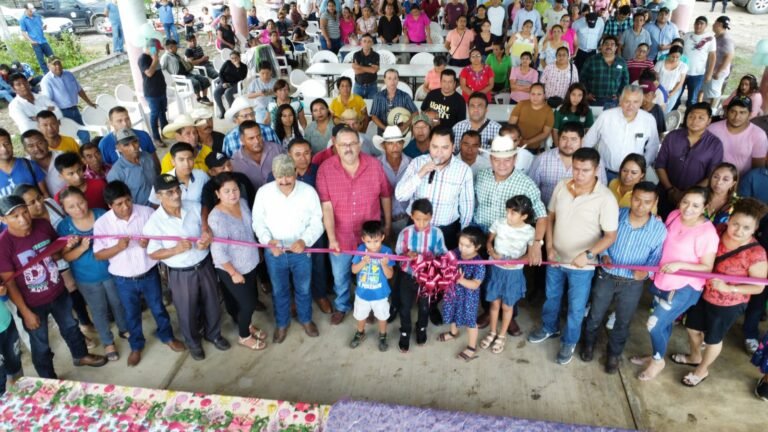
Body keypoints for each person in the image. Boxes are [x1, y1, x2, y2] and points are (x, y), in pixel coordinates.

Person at [528, 147, 619, 365]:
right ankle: (549, 327)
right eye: (576, 169)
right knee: (552, 297)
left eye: (585, 170)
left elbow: (610, 236)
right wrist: (549, 247)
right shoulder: (562, 185)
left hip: (582, 266)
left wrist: (589, 254)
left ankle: (569, 341)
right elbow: (550, 216)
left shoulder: (606, 198)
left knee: (576, 308)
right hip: (556, 258)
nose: (579, 174)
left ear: (596, 169)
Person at [0, 195, 107, 379]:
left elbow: (56, 254)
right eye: (15, 216)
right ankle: (48, 378)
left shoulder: (42, 225)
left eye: (24, 212)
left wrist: (68, 246)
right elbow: (10, 283)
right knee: (40, 343)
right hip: (32, 303)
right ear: (3, 219)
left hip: (58, 292)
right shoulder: (3, 245)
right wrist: (25, 312)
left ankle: (81, 355)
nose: (23, 219)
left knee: (71, 326)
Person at [672, 198, 767, 386]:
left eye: (746, 228)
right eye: (736, 224)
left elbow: (758, 287)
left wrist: (729, 288)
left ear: (755, 228)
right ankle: (695, 356)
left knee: (713, 339)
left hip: (728, 303)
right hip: (702, 291)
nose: (739, 231)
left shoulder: (757, 254)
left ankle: (702, 370)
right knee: (692, 327)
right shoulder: (718, 231)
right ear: (729, 220)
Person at [630, 187, 719, 381]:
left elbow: (707, 267)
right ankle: (656, 355)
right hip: (663, 280)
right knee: (664, 324)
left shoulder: (707, 233)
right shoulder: (674, 215)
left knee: (654, 325)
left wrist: (680, 264)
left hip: (684, 288)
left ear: (705, 207)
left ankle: (657, 361)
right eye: (685, 202)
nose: (688, 208)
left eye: (696, 205)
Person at [92, 180, 185, 366]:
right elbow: (98, 255)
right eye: (119, 204)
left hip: (149, 273)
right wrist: (118, 247)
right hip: (123, 279)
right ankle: (136, 346)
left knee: (158, 308)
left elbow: (160, 240)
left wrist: (149, 243)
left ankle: (167, 337)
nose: (126, 206)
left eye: (128, 200)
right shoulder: (102, 224)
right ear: (109, 205)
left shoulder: (147, 213)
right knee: (131, 314)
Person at [581, 181, 667, 373]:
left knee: (623, 321)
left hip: (632, 283)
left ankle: (614, 354)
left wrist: (646, 271)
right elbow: (602, 237)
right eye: (637, 199)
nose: (640, 206)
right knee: (595, 314)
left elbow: (655, 258)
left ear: (655, 203)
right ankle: (588, 344)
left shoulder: (659, 229)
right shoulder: (616, 216)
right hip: (607, 276)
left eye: (647, 202)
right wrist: (604, 255)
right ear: (631, 197)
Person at [143, 174, 229, 360]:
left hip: (204, 265)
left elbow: (207, 227)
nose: (176, 195)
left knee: (212, 303)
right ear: (158, 196)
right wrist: (175, 249)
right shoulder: (154, 223)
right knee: (186, 310)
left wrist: (207, 237)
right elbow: (152, 253)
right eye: (169, 192)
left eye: (177, 190)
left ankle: (213, 334)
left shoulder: (193, 207)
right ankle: (193, 343)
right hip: (181, 274)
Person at [317, 127, 392, 324]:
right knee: (340, 275)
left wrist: (388, 224)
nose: (348, 148)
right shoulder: (325, 169)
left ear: (359, 145)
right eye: (343, 144)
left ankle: (368, 306)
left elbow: (385, 195)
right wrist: (332, 238)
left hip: (369, 239)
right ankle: (342, 305)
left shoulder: (374, 165)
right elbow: (326, 207)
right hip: (341, 236)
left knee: (370, 273)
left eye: (352, 143)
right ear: (335, 145)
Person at [56, 187, 127, 362]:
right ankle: (108, 342)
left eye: (80, 203)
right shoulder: (64, 226)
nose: (78, 209)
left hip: (112, 269)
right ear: (64, 209)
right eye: (71, 207)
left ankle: (124, 328)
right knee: (98, 309)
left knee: (118, 302)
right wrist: (80, 248)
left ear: (86, 199)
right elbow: (65, 256)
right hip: (86, 278)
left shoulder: (102, 214)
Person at [204, 173, 265, 351]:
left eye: (235, 189)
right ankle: (244, 336)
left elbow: (249, 232)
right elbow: (218, 252)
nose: (233, 194)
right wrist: (233, 273)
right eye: (227, 191)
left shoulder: (243, 203)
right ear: (218, 194)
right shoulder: (216, 218)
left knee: (247, 300)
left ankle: (247, 325)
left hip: (250, 262)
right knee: (248, 303)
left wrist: (257, 251)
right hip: (232, 268)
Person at [396, 126, 474, 250]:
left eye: (445, 147)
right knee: (413, 261)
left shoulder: (464, 170)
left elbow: (467, 206)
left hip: (446, 231)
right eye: (435, 147)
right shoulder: (417, 163)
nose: (439, 153)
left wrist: (464, 234)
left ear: (453, 147)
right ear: (429, 145)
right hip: (416, 228)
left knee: (443, 262)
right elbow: (400, 196)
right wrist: (420, 173)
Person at [480, 196, 534, 355]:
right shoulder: (499, 223)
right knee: (494, 304)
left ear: (524, 216)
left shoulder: (530, 231)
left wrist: (515, 261)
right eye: (507, 211)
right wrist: (491, 252)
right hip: (496, 270)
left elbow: (530, 256)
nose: (508, 215)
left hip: (513, 273)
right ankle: (492, 332)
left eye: (513, 213)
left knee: (507, 306)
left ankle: (502, 335)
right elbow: (489, 241)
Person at [394, 198, 448, 351]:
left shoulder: (437, 233)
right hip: (408, 275)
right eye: (418, 219)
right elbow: (398, 253)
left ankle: (421, 328)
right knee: (405, 306)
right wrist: (407, 254)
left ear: (431, 217)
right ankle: (405, 331)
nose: (422, 223)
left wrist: (435, 259)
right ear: (411, 216)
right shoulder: (405, 233)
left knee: (424, 307)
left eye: (425, 219)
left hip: (427, 278)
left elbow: (442, 254)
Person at [583, 85, 661, 182]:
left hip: (632, 177)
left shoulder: (649, 120)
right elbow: (587, 142)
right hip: (605, 173)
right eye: (627, 101)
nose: (630, 106)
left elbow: (653, 147)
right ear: (620, 100)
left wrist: (641, 168)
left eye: (635, 102)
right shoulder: (606, 116)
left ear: (641, 102)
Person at [436, 226, 486, 361]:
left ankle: (471, 347)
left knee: (470, 322)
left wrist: (460, 280)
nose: (462, 248)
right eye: (461, 244)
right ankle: (453, 332)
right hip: (452, 292)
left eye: (467, 246)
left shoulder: (479, 264)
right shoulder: (455, 253)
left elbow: (475, 284)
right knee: (452, 312)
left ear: (477, 246)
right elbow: (445, 262)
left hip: (468, 298)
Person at [529, 122, 607, 205]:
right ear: (558, 138)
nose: (568, 144)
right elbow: (530, 189)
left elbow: (601, 192)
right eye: (564, 138)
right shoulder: (542, 159)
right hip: (545, 210)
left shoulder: (594, 161)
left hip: (582, 211)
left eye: (573, 139)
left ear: (582, 140)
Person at [349, 220, 394, 351]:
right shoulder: (360, 250)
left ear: (382, 237)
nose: (373, 245)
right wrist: (363, 262)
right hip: (362, 294)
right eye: (368, 241)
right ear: (363, 239)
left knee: (382, 316)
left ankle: (382, 335)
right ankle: (360, 332)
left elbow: (390, 275)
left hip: (380, 295)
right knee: (361, 315)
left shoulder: (387, 252)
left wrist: (384, 264)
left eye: (376, 241)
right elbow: (354, 270)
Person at [39, 57, 95, 145]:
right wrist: (55, 117)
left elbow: (79, 90)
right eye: (54, 64)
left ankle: (86, 151)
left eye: (59, 63)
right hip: (61, 113)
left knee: (85, 135)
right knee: (69, 137)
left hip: (74, 110)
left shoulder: (68, 74)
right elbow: (48, 101)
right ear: (48, 66)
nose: (58, 66)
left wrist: (89, 102)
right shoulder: (46, 81)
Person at [708, 98, 768, 176]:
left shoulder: (758, 135)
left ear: (749, 114)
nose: (736, 117)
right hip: (711, 177)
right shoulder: (712, 129)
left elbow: (757, 170)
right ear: (727, 112)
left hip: (742, 180)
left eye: (742, 112)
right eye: (733, 112)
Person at [106, 129, 158, 206]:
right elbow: (120, 203)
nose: (133, 147)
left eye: (135, 142)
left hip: (160, 203)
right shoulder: (116, 173)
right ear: (118, 148)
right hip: (140, 211)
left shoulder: (147, 156)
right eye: (126, 145)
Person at [231, 121, 284, 191]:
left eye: (259, 136)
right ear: (242, 140)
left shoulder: (277, 149)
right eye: (251, 138)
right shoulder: (235, 162)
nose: (257, 141)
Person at [580, 36, 629, 109]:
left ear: (616, 48)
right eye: (606, 44)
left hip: (613, 101)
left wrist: (620, 95)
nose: (609, 46)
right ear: (601, 46)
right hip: (594, 99)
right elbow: (582, 78)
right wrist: (586, 94)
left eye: (612, 44)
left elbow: (625, 81)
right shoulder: (591, 60)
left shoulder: (621, 62)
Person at [0, 128, 48, 199]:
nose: (4, 149)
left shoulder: (30, 165)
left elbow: (45, 195)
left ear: (11, 144)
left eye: (6, 144)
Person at [508, 83, 555, 154]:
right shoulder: (521, 104)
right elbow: (511, 124)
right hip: (516, 143)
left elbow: (545, 133)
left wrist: (528, 142)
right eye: (533, 94)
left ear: (544, 95)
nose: (535, 97)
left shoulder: (549, 111)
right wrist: (518, 139)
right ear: (529, 94)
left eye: (539, 94)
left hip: (533, 147)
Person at [139, 39, 169, 147]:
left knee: (162, 112)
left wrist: (155, 58)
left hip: (161, 89)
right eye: (156, 49)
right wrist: (155, 59)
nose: (158, 51)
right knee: (155, 114)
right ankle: (156, 137)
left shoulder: (154, 57)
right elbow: (149, 73)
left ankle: (165, 132)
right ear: (151, 48)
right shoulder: (143, 59)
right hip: (152, 92)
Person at [681, 16, 716, 108]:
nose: (698, 26)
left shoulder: (710, 38)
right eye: (697, 23)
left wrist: (709, 73)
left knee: (692, 99)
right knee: (676, 95)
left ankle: (690, 115)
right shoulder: (687, 36)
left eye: (701, 24)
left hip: (697, 74)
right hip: (682, 72)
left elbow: (712, 56)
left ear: (706, 25)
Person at [371, 69, 418, 135]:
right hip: (383, 132)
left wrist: (405, 126)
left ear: (398, 80)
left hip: (402, 132)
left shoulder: (405, 96)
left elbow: (415, 112)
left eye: (395, 78)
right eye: (389, 78)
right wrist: (385, 128)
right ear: (385, 80)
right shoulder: (378, 97)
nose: (392, 81)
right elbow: (374, 116)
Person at [21, 129, 66, 197]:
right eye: (31, 146)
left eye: (40, 143)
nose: (37, 148)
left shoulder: (62, 156)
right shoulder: (24, 165)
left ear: (47, 142)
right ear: (25, 149)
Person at [703, 16, 734, 107]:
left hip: (717, 72)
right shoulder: (717, 36)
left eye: (714, 23)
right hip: (712, 70)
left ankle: (712, 110)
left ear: (719, 24)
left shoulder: (726, 39)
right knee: (707, 91)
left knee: (713, 93)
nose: (713, 25)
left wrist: (718, 72)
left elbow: (729, 56)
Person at [19, 4, 54, 74]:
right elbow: (23, 32)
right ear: (26, 9)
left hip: (43, 40)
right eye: (30, 10)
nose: (32, 12)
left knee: (52, 57)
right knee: (41, 60)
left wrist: (44, 27)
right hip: (35, 43)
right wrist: (31, 41)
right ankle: (47, 74)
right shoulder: (23, 19)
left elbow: (41, 27)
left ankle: (55, 70)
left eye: (33, 10)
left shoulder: (37, 16)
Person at [214, 50, 248, 118]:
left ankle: (232, 110)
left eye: (236, 58)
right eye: (232, 58)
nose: (234, 59)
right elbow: (220, 73)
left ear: (239, 57)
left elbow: (242, 78)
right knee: (216, 92)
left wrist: (238, 68)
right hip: (225, 82)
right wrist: (223, 82)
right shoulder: (227, 63)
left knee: (227, 92)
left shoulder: (244, 66)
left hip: (236, 84)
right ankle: (222, 111)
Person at [654, 46, 688, 114]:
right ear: (669, 54)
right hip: (659, 90)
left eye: (677, 57)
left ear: (681, 56)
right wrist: (660, 90)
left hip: (673, 91)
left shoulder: (683, 66)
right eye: (673, 56)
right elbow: (655, 78)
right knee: (656, 110)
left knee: (666, 111)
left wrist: (673, 92)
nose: (675, 59)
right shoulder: (660, 63)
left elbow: (681, 82)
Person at [351, 34, 380, 99]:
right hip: (358, 86)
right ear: (361, 42)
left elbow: (373, 71)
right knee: (356, 104)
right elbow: (357, 72)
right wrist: (370, 69)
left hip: (372, 86)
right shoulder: (356, 55)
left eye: (369, 41)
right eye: (364, 41)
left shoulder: (376, 55)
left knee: (372, 104)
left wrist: (359, 67)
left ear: (372, 43)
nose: (366, 43)